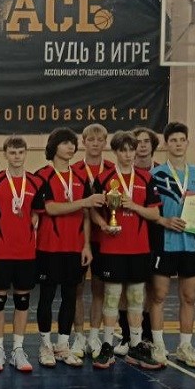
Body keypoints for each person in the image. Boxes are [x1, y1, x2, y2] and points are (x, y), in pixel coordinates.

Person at [91, 131, 161, 370]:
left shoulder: (146, 178)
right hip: (112, 247)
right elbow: (93, 209)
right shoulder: (104, 178)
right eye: (123, 150)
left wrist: (134, 206)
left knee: (136, 297)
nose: (128, 154)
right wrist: (103, 225)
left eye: (132, 149)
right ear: (116, 152)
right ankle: (107, 345)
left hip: (139, 247)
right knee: (111, 296)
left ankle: (136, 345)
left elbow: (155, 213)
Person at [33, 129, 100, 367]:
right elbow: (50, 208)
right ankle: (45, 344)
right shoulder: (42, 176)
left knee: (70, 295)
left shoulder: (80, 177)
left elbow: (86, 214)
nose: (70, 147)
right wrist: (84, 201)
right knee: (47, 295)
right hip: (48, 246)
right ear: (54, 146)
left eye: (72, 143)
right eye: (65, 143)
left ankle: (63, 344)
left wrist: (86, 245)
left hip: (74, 246)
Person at [146, 122, 195, 369]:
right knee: (158, 296)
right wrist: (164, 221)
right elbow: (149, 210)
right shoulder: (155, 175)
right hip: (164, 242)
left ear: (187, 143)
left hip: (191, 243)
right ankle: (159, 345)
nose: (178, 144)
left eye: (182, 140)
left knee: (189, 297)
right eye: (173, 140)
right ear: (166, 144)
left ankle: (185, 346)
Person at [0, 137, 44, 373]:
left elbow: (36, 216)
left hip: (25, 252)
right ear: (5, 154)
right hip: (1, 250)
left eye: (20, 152)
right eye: (12, 152)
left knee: (22, 300)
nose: (17, 156)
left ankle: (18, 349)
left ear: (26, 153)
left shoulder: (36, 182)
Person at [71, 123, 113, 359]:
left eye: (100, 140)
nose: (95, 144)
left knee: (99, 289)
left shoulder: (113, 170)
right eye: (91, 140)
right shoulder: (74, 170)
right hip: (78, 236)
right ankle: (78, 335)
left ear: (105, 143)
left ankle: (94, 335)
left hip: (105, 238)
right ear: (83, 142)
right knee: (77, 288)